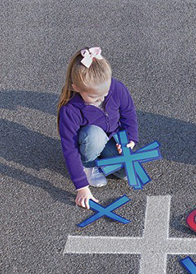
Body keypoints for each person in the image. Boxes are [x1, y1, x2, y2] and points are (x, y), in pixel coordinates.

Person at [57, 47, 138, 209]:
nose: (101, 98)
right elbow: (69, 149)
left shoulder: (117, 88)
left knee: (126, 173)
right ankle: (89, 165)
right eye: (94, 97)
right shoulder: (70, 109)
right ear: (76, 88)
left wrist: (130, 139)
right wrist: (82, 188)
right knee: (94, 135)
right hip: (90, 142)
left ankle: (103, 160)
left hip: (112, 138)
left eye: (105, 93)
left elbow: (128, 113)